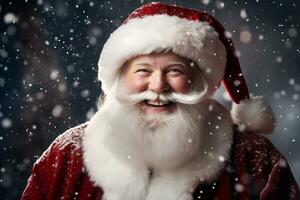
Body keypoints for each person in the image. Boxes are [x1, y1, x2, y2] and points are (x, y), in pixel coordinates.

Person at [22, 2, 299, 200]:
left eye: (174, 71)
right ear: (119, 78)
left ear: (200, 81)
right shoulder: (66, 155)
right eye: (143, 70)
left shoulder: (253, 157)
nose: (157, 86)